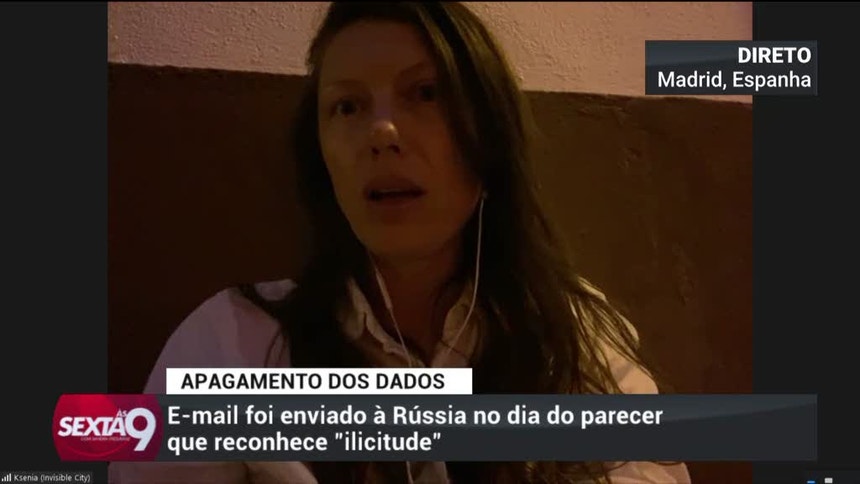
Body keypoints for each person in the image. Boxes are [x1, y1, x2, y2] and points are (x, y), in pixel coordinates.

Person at [110, 2, 692, 483]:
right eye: (347, 106)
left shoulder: (575, 337)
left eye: (425, 93)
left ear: (487, 137)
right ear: (321, 158)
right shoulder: (232, 341)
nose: (382, 132)